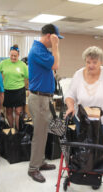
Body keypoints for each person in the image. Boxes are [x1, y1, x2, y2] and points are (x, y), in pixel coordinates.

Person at [65, 46, 103, 146]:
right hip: (82, 120)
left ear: (101, 62)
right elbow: (70, 94)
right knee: (83, 150)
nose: (91, 65)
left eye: (94, 62)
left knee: (100, 151)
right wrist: (71, 107)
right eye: (88, 62)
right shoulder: (78, 74)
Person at [27, 24, 63, 183]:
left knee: (43, 132)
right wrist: (55, 46)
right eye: (55, 38)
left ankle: (40, 161)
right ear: (49, 36)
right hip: (39, 98)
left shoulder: (42, 50)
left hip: (45, 98)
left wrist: (54, 47)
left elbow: (54, 65)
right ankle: (33, 168)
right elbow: (56, 65)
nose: (56, 42)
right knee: (39, 134)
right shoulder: (37, 50)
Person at [0, 44, 28, 129]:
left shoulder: (22, 65)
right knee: (9, 112)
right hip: (7, 91)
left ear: (18, 55)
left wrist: (29, 89)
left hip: (19, 91)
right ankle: (12, 128)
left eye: (15, 56)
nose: (13, 57)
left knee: (18, 112)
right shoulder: (3, 63)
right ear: (9, 54)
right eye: (12, 55)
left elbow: (29, 77)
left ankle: (18, 130)